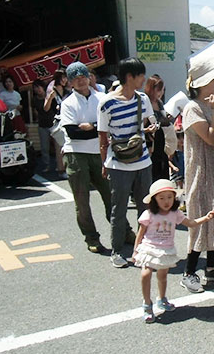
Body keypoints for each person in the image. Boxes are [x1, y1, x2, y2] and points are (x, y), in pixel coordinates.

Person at [180, 59, 214, 292]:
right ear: (202, 83)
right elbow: (210, 138)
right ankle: (189, 271)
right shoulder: (192, 107)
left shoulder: (211, 104)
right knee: (200, 217)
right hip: (201, 170)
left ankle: (212, 269)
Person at [97, 57, 157, 269]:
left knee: (146, 207)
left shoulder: (143, 99)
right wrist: (104, 163)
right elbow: (103, 138)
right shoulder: (106, 103)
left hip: (142, 161)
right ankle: (117, 250)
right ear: (129, 77)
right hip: (118, 164)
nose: (143, 79)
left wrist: (153, 129)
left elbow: (151, 123)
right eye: (140, 75)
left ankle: (146, 249)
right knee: (119, 208)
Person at [133, 179, 214, 323]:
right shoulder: (149, 214)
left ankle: (162, 299)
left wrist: (206, 218)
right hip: (149, 247)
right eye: (162, 198)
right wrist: (135, 251)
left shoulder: (175, 213)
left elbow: (190, 223)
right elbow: (140, 233)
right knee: (146, 274)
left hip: (166, 249)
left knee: (163, 275)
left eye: (170, 197)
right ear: (154, 199)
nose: (166, 201)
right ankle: (147, 304)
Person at [59, 62, 114, 254]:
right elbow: (73, 133)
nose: (80, 80)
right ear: (70, 82)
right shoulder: (67, 103)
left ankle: (122, 232)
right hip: (76, 155)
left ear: (89, 77)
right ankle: (91, 237)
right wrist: (98, 127)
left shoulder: (102, 97)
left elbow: (111, 123)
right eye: (75, 78)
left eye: (83, 76)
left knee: (111, 195)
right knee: (82, 201)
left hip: (100, 153)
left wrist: (90, 126)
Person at [144, 74, 177, 182]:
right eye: (159, 90)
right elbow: (140, 126)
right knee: (152, 178)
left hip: (162, 145)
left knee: (163, 177)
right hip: (150, 147)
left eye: (162, 90)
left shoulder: (160, 103)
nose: (161, 93)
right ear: (151, 89)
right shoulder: (144, 103)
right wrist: (149, 129)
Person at [45, 70, 69, 177]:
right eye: (62, 77)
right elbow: (46, 108)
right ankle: (61, 170)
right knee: (59, 147)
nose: (64, 80)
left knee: (67, 146)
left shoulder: (68, 91)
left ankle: (67, 168)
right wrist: (50, 98)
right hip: (56, 121)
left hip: (67, 120)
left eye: (66, 77)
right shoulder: (51, 90)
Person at [31, 79, 56, 172]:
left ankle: (60, 164)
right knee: (44, 147)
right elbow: (35, 111)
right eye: (35, 88)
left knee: (57, 145)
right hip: (42, 124)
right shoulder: (34, 99)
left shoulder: (49, 96)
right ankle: (47, 165)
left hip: (53, 123)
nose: (37, 89)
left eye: (38, 87)